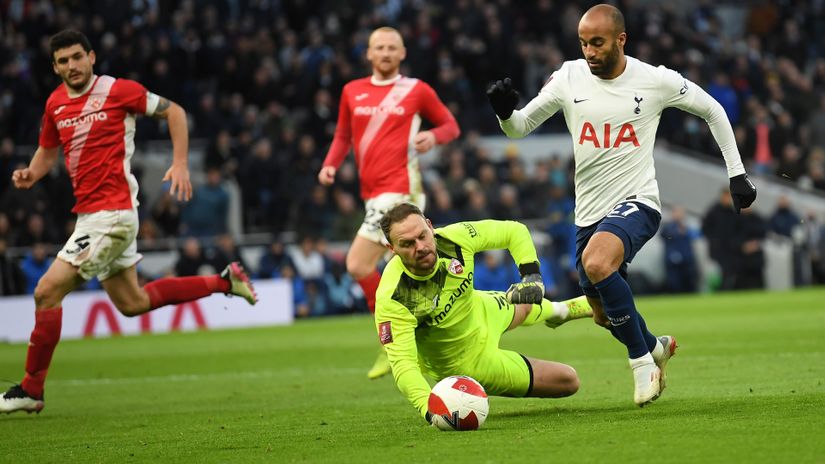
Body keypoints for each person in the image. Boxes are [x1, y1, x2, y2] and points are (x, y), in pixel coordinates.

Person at [486, 4, 757, 406]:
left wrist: (736, 173)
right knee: (602, 312)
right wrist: (505, 112)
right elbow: (521, 128)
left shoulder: (655, 80)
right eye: (583, 43)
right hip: (588, 214)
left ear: (620, 39)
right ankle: (654, 345)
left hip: (638, 202)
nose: (589, 51)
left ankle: (642, 362)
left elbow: (712, 110)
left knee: (598, 264)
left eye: (597, 43)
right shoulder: (569, 76)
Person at [0, 30, 258, 415]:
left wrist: (182, 162)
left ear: (91, 57)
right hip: (91, 215)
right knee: (132, 302)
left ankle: (32, 388)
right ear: (54, 67)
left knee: (45, 292)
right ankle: (224, 281)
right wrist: (31, 174)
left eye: (76, 57)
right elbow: (47, 152)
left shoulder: (118, 91)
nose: (71, 66)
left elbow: (175, 112)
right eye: (63, 61)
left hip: (114, 214)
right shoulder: (55, 103)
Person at [317, 26, 460, 379]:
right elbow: (342, 135)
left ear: (402, 53)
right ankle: (427, 327)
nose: (384, 52)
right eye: (378, 47)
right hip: (373, 194)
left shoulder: (415, 90)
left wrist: (433, 135)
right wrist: (330, 164)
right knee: (403, 268)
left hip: (401, 191)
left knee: (357, 264)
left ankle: (390, 341)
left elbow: (451, 125)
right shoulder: (352, 91)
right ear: (368, 54)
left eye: (391, 47)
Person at [374, 203, 593, 424]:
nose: (420, 247)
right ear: (392, 248)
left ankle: (560, 311)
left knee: (525, 301)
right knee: (568, 380)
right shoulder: (394, 297)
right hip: (466, 362)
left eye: (422, 235)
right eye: (407, 244)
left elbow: (513, 231)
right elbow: (404, 367)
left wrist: (530, 275)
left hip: (482, 309)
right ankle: (558, 312)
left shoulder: (455, 239)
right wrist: (430, 409)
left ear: (430, 227)